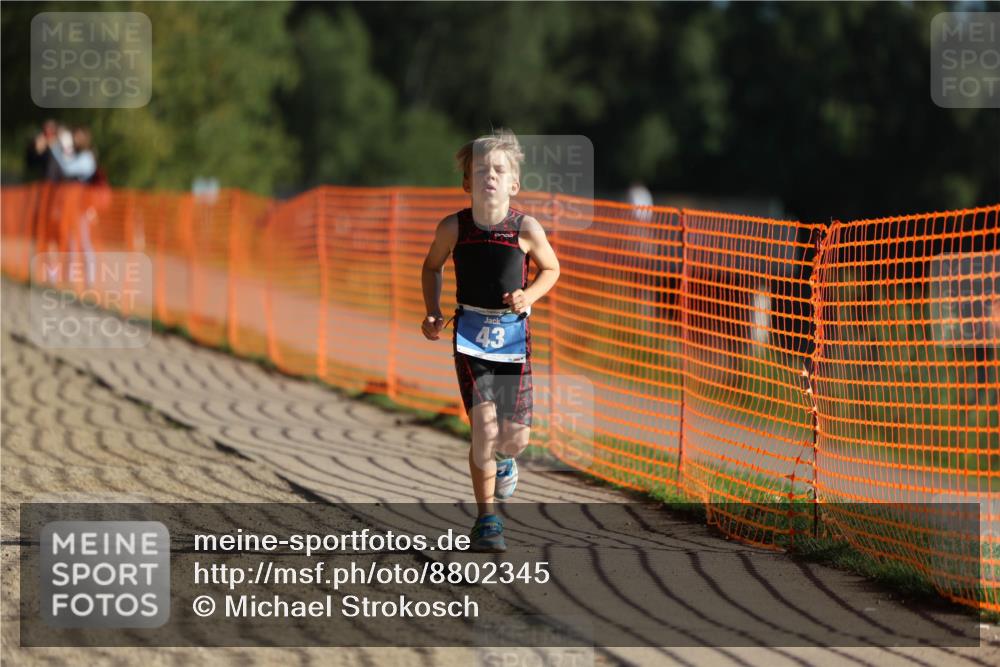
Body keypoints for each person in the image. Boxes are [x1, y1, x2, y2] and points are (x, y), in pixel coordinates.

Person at [420, 129, 560, 552]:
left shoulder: (526, 228)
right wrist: (433, 310)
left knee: (515, 438)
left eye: (499, 170)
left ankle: (504, 461)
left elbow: (551, 269)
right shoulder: (454, 227)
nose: (490, 176)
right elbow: (432, 267)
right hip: (470, 340)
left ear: (514, 183)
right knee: (483, 427)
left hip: (514, 341)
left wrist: (527, 296)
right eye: (480, 170)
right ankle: (487, 521)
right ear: (467, 182)